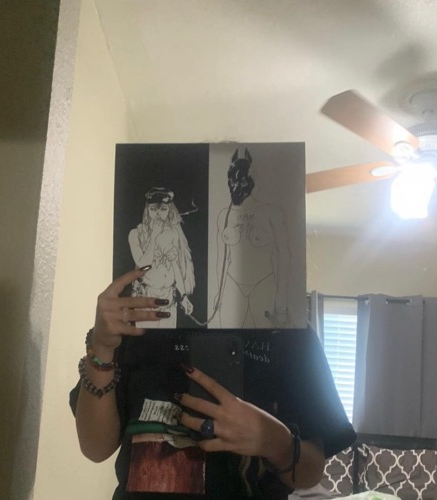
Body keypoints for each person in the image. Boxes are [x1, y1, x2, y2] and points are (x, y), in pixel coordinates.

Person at [70, 267, 357, 499]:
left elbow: (310, 472)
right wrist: (102, 348)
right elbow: (95, 448)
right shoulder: (138, 319)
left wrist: (271, 440)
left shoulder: (291, 333)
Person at [214, 149, 292, 328]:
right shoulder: (223, 216)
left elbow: (283, 254)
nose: (235, 187)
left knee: (263, 340)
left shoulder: (271, 213)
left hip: (263, 283)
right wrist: (218, 291)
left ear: (250, 182)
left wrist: (282, 294)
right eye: (232, 181)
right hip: (232, 284)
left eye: (241, 181)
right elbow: (221, 259)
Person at [128, 187, 194, 328]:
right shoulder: (135, 234)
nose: (158, 214)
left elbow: (175, 267)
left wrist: (183, 296)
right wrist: (154, 236)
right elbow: (142, 266)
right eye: (153, 209)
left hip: (169, 300)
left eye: (163, 209)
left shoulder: (173, 233)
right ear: (147, 210)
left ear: (169, 211)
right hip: (146, 301)